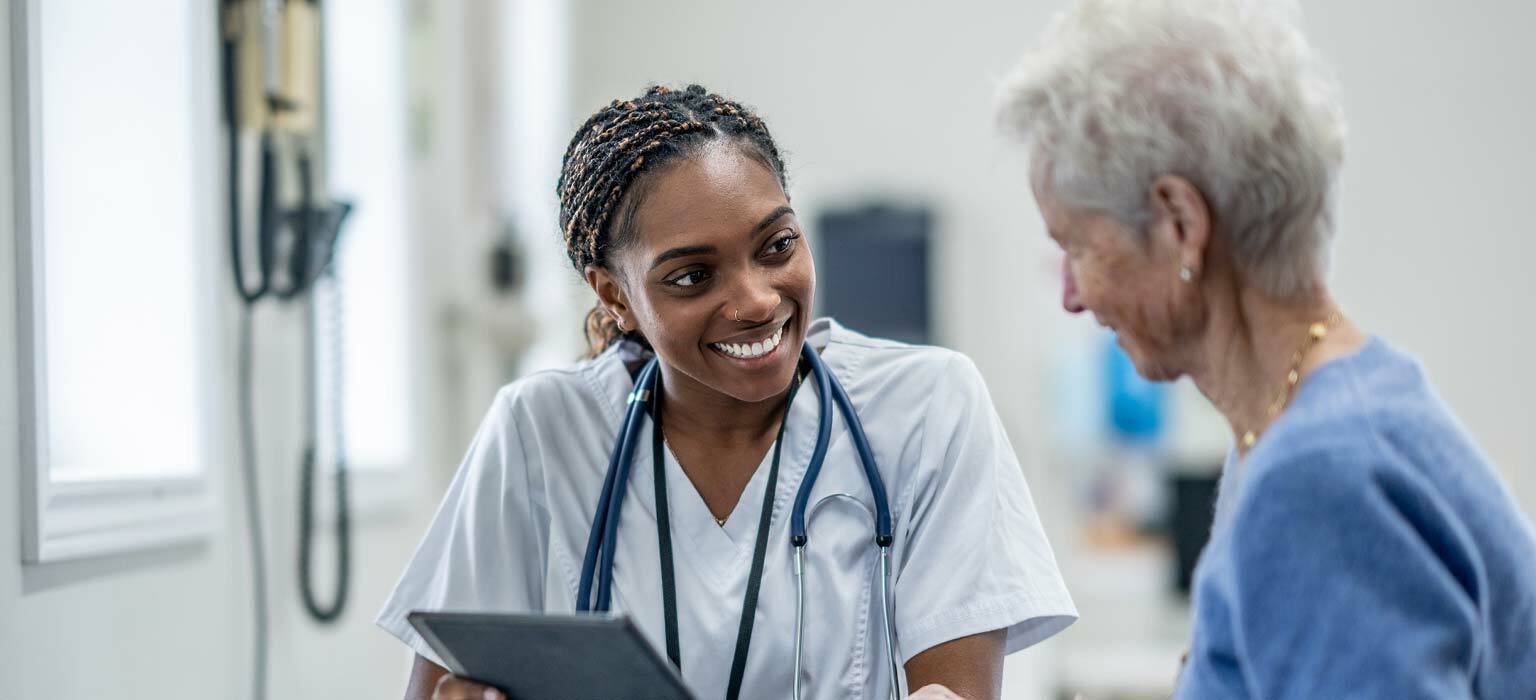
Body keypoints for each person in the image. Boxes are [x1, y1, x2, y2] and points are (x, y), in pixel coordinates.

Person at [377, 84, 1077, 700]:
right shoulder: (538, 431)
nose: (754, 301)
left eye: (776, 246)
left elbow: (956, 692)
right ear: (614, 295)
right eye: (691, 277)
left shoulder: (927, 406)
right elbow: (439, 687)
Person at [996, 1, 1536, 697]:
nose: (1071, 294)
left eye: (1077, 245)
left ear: (1180, 223)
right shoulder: (1315, 420)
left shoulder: (1317, 481)